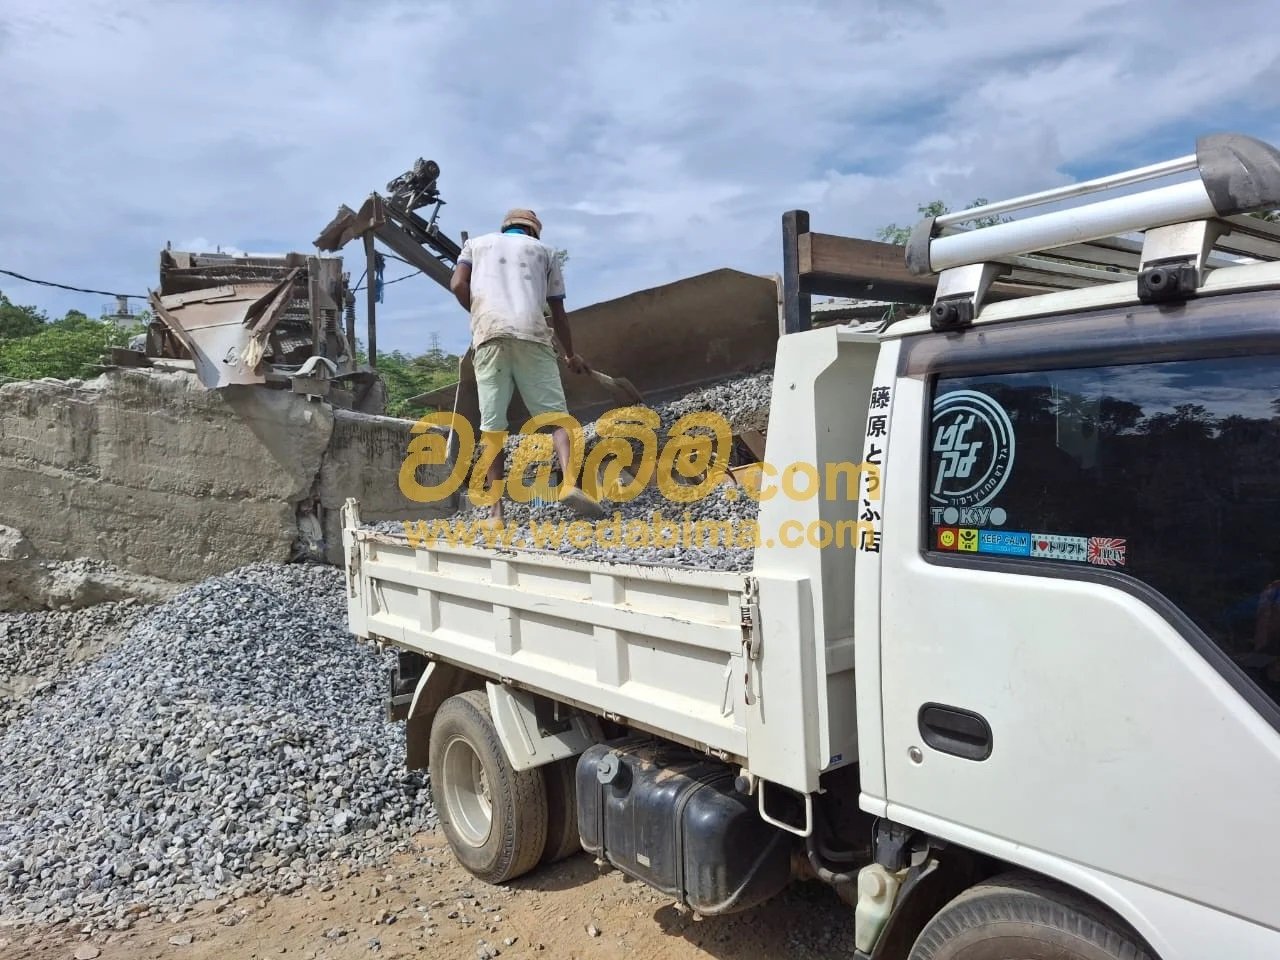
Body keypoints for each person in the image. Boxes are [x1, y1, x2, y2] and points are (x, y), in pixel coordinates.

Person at [449, 208, 601, 523]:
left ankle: (496, 511)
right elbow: (557, 311)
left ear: (505, 227)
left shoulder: (475, 245)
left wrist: (477, 312)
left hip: (490, 336)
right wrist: (571, 354)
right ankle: (570, 484)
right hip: (533, 336)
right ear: (534, 232)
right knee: (558, 420)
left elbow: (457, 285)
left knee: (492, 429)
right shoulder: (545, 252)